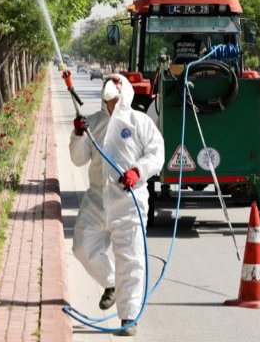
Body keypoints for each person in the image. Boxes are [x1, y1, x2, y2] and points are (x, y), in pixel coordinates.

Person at [70, 74, 165, 336]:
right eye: (109, 80)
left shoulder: (140, 122)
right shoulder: (93, 123)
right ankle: (110, 282)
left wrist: (138, 171)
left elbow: (157, 154)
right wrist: (78, 135)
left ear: (126, 91)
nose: (110, 83)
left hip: (129, 203)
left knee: (131, 260)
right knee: (82, 247)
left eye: (117, 81)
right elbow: (78, 159)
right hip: (97, 200)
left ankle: (129, 318)